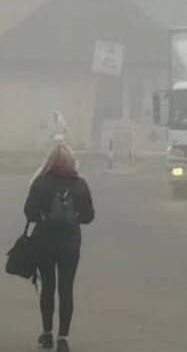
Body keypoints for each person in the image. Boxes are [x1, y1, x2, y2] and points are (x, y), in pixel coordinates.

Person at [23, 143, 94, 352]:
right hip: (70, 244)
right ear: (71, 161)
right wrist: (71, 219)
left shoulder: (40, 183)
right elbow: (89, 217)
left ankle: (47, 335)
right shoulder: (80, 184)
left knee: (48, 287)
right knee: (66, 289)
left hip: (44, 242)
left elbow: (30, 213)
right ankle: (63, 338)